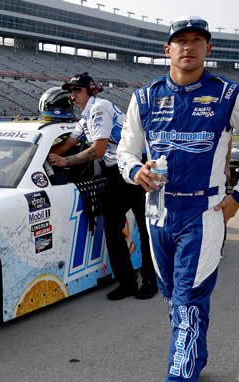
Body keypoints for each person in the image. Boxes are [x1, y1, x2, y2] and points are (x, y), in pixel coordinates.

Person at [116, 16, 239, 382]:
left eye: (197, 40)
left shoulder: (229, 94)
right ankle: (195, 356)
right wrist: (135, 169)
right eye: (180, 41)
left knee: (188, 302)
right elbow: (123, 150)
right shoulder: (144, 97)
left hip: (204, 215)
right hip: (156, 214)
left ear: (208, 49)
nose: (188, 47)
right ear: (167, 49)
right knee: (173, 298)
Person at [47, 75, 158, 301]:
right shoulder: (85, 115)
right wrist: (43, 153)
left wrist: (65, 162)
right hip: (115, 171)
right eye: (70, 90)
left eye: (77, 89)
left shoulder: (100, 108)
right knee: (111, 226)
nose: (72, 93)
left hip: (138, 167)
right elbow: (68, 143)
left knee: (146, 229)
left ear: (90, 90)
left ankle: (151, 280)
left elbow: (97, 151)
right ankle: (127, 282)